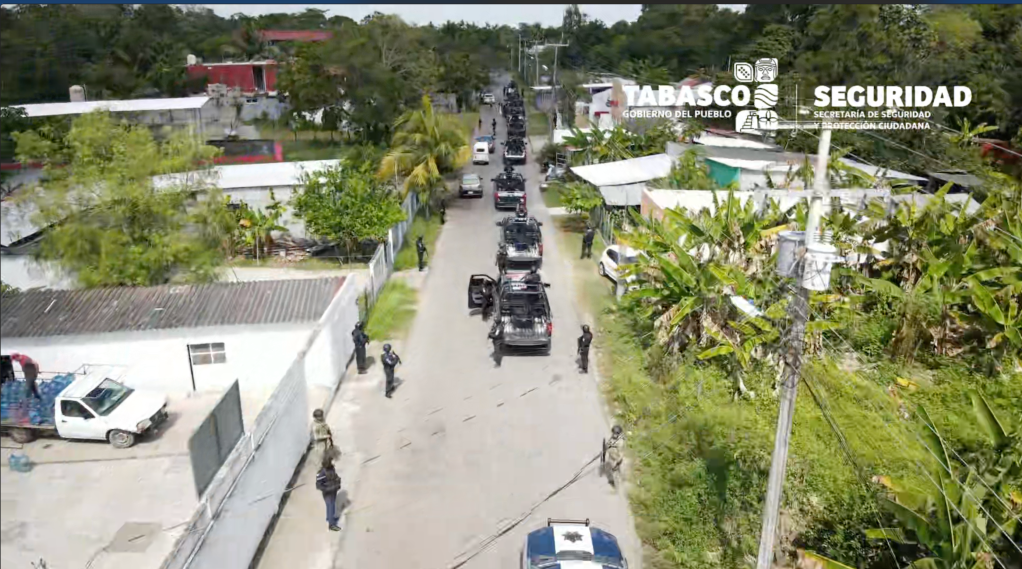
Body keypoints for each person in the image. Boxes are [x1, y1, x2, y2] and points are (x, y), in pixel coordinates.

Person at [315, 458, 343, 531]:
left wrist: (338, 482)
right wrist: (327, 489)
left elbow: (336, 477)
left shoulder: (331, 469)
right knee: (330, 507)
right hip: (328, 493)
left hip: (334, 491)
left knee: (332, 505)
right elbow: (318, 485)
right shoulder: (321, 473)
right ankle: (331, 525)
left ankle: (330, 518)